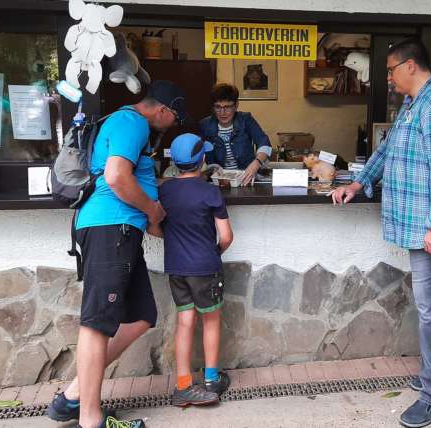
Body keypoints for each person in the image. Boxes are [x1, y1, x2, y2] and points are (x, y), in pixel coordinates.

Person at [331, 38, 431, 428]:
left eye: (390, 70)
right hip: (424, 224)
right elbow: (387, 151)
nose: (388, 77)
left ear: (410, 66)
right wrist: (359, 183)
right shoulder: (415, 104)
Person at [47, 80, 189, 428]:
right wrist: (153, 210)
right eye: (174, 119)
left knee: (141, 315)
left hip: (120, 231)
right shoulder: (133, 123)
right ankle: (90, 419)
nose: (172, 126)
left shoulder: (125, 122)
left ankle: (73, 397)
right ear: (163, 111)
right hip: (111, 227)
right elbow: (116, 177)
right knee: (97, 323)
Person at [158, 133, 234, 406]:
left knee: (185, 321)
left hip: (177, 268)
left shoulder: (164, 190)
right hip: (205, 267)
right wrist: (214, 253)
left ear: (175, 163)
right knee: (211, 320)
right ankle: (212, 378)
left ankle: (183, 385)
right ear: (202, 160)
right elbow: (225, 236)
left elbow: (154, 227)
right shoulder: (210, 192)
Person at [199, 83, 271, 185]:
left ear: (236, 105)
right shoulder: (205, 125)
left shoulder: (246, 120)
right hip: (219, 181)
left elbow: (264, 143)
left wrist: (257, 163)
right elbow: (198, 154)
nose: (222, 112)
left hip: (246, 178)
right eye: (218, 107)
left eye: (227, 107)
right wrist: (207, 171)